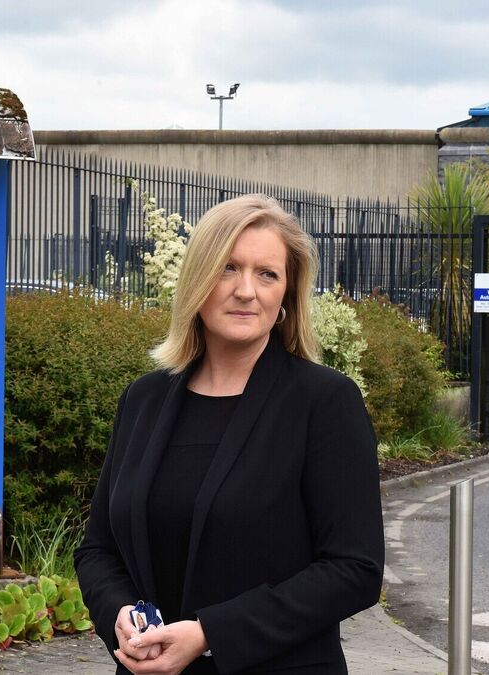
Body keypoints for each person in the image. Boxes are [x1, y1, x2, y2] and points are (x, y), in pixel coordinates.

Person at [74, 194, 384, 674]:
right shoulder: (143, 399)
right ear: (198, 279)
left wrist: (209, 634)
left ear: (286, 294)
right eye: (228, 268)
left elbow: (355, 569)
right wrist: (119, 613)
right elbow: (98, 549)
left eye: (267, 274)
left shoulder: (324, 403)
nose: (246, 291)